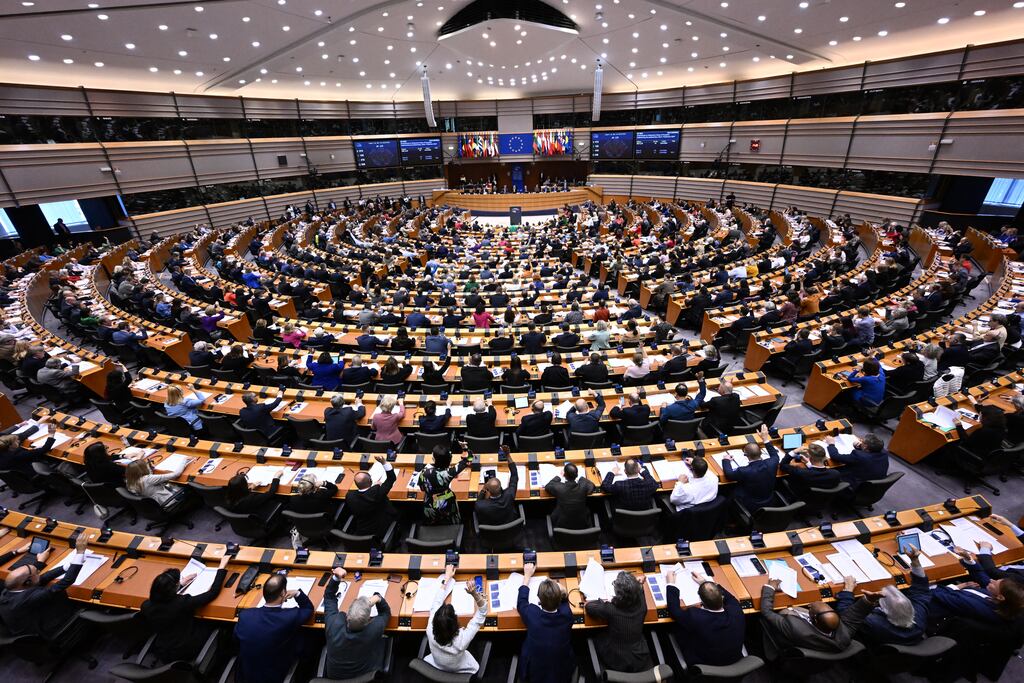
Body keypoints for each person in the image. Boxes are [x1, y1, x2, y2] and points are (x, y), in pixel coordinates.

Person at [140, 554, 231, 662]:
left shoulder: (146, 605)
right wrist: (221, 567)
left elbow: (165, 598)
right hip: (185, 649)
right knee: (221, 623)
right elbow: (213, 593)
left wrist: (180, 585)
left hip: (163, 648)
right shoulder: (182, 603)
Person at [0, 532, 89, 640]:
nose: (39, 572)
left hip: (31, 622)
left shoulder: (10, 590)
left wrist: (67, 566)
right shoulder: (28, 599)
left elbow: (42, 578)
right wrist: (80, 552)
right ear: (27, 583)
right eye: (37, 572)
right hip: (45, 634)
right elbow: (66, 581)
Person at [835, 547, 929, 646]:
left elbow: (847, 616)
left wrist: (848, 590)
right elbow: (921, 591)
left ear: (883, 611)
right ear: (910, 607)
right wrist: (915, 561)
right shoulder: (919, 615)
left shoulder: (873, 623)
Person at [234, 573, 313, 683]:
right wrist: (297, 593)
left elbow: (236, 639)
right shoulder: (289, 617)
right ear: (283, 594)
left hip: (246, 675)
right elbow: (308, 609)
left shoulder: (245, 615)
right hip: (274, 675)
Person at [664, 568, 746, 668]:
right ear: (722, 597)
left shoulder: (695, 617)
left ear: (701, 601)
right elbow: (731, 598)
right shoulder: (736, 610)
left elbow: (674, 611)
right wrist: (705, 583)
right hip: (734, 663)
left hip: (704, 665)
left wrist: (670, 584)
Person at [323, 567, 391, 680]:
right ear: (368, 621)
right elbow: (385, 613)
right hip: (366, 678)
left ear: (347, 615)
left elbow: (329, 597)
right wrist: (377, 598)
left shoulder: (333, 624)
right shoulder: (374, 629)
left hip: (335, 678)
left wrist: (336, 577)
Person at [583, 572, 653, 673]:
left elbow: (589, 607)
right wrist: (638, 584)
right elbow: (640, 592)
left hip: (616, 660)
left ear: (619, 595)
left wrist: (603, 602)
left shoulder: (611, 610)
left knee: (594, 635)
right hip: (639, 657)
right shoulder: (642, 605)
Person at [518, 562, 575, 683]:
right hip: (561, 673)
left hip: (534, 674)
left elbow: (521, 603)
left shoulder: (533, 615)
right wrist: (561, 590)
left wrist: (527, 576)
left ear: (538, 598)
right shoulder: (567, 615)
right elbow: (565, 602)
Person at [426, 564, 488, 673]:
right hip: (460, 668)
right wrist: (474, 594)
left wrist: (446, 578)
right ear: (455, 623)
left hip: (436, 665)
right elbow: (483, 611)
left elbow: (436, 603)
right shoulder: (462, 640)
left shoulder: (430, 629)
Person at [722, 425, 781, 509]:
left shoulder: (744, 471)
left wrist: (726, 460)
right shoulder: (772, 463)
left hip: (751, 503)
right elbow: (774, 454)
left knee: (730, 491)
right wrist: (765, 439)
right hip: (769, 499)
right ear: (761, 452)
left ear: (745, 455)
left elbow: (729, 474)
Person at [415, 445, 472, 525]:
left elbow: (422, 488)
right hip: (447, 502)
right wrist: (465, 448)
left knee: (432, 521)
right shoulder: (449, 473)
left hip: (430, 503)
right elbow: (469, 460)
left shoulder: (424, 472)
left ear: (434, 459)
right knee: (450, 518)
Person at [344, 455, 397, 539]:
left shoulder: (350, 496)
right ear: (371, 481)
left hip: (363, 530)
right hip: (382, 527)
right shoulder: (377, 493)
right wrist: (384, 463)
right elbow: (391, 478)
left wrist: (374, 487)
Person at [544, 462, 596, 529]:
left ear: (564, 475)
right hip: (583, 524)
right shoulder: (583, 486)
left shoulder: (559, 487)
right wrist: (580, 478)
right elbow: (592, 486)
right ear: (577, 475)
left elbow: (548, 486)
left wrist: (559, 476)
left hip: (561, 525)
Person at [126, 456, 190, 507]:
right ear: (142, 470)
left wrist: (150, 470)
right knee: (188, 485)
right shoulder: (148, 479)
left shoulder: (129, 480)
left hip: (154, 504)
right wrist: (185, 459)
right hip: (168, 500)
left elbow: (147, 480)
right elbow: (176, 474)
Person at [475, 453, 519, 526]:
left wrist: (483, 490)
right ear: (501, 487)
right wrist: (508, 455)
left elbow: (478, 502)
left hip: (491, 532)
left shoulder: (481, 505)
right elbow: (514, 475)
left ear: (488, 491)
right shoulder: (509, 494)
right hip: (510, 528)